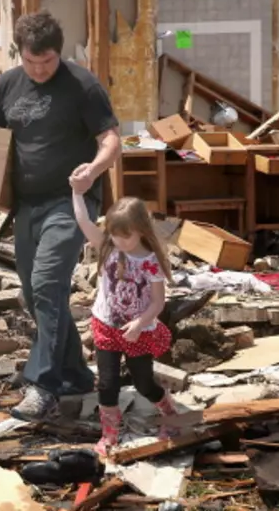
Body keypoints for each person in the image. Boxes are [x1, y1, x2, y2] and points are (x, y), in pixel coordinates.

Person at [0, 11, 121, 421]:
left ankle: (42, 385)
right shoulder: (8, 83)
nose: (40, 69)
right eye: (32, 62)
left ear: (58, 54)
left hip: (71, 203)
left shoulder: (83, 85)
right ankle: (76, 376)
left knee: (47, 281)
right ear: (20, 54)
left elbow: (111, 139)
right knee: (36, 294)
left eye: (47, 62)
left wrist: (93, 170)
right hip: (26, 206)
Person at [69, 190, 179, 455]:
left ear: (141, 230)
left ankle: (169, 413)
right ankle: (109, 433)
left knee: (143, 383)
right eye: (115, 234)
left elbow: (157, 303)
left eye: (125, 235)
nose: (120, 241)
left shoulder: (150, 263)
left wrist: (140, 323)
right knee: (106, 383)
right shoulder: (108, 247)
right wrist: (76, 191)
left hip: (138, 332)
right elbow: (83, 221)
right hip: (106, 325)